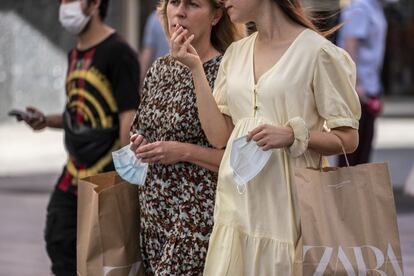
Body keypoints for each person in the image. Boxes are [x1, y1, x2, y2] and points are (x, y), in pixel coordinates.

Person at [171, 0, 361, 274]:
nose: (223, 1)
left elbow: (348, 139)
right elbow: (219, 136)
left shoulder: (318, 53)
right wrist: (195, 70)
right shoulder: (235, 53)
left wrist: (292, 135)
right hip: (236, 212)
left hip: (287, 213)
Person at [17, 0, 140, 274]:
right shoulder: (75, 53)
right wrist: (46, 121)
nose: (65, 7)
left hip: (103, 179)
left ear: (95, 4)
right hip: (73, 176)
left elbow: (127, 118)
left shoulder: (119, 53)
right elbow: (80, 113)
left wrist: (126, 180)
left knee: (99, 262)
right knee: (59, 243)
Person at [129, 0, 242, 274]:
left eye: (192, 4)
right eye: (174, 2)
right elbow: (141, 130)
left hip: (198, 216)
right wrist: (140, 145)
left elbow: (234, 157)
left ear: (216, 16)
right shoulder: (159, 68)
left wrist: (182, 151)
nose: (179, 11)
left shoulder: (228, 69)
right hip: (153, 213)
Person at [337, 0, 387, 166]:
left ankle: (357, 191)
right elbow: (350, 45)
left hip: (369, 86)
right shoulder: (361, 8)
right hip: (359, 90)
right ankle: (346, 191)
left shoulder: (375, 8)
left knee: (364, 148)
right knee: (352, 152)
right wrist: (356, 84)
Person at [140, 10, 170, 82]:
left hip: (160, 76)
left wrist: (139, 81)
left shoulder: (154, 19)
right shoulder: (187, 17)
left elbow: (147, 54)